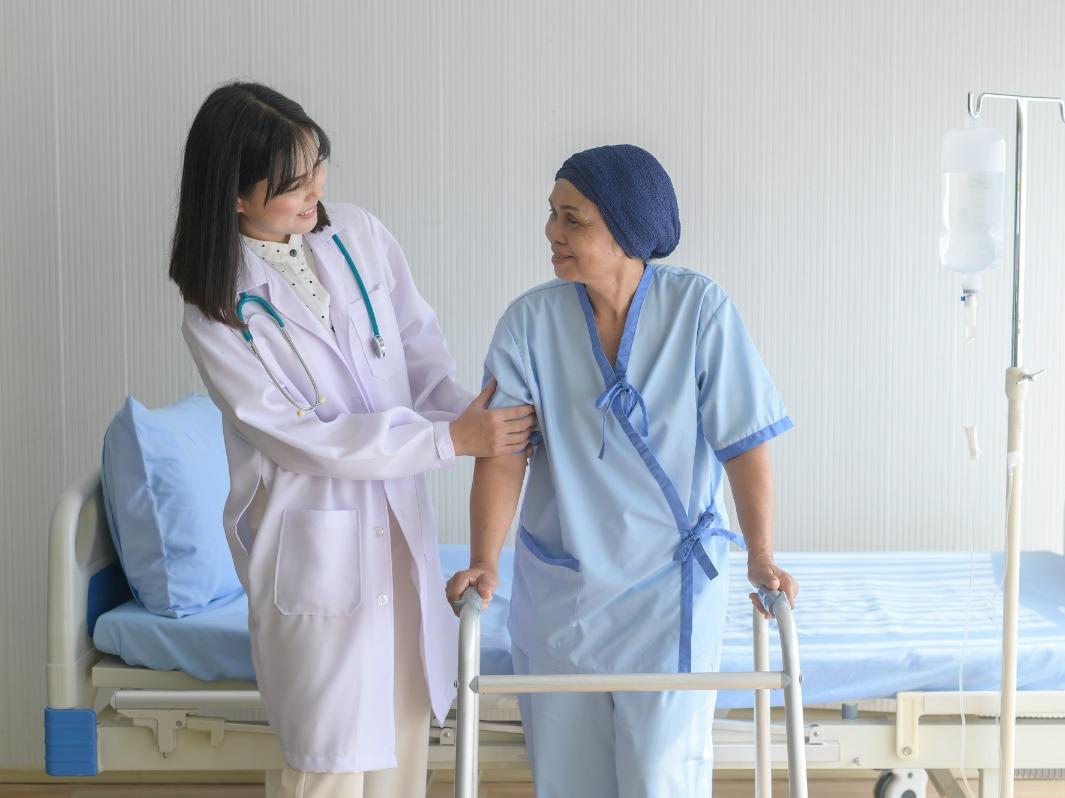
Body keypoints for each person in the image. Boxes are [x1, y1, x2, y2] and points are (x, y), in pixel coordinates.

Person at [170, 82, 535, 798]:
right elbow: (301, 440)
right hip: (316, 562)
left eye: (317, 167)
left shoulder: (359, 234)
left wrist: (477, 422)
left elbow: (420, 359)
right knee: (328, 773)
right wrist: (446, 443)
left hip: (399, 545)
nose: (315, 193)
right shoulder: (215, 309)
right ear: (235, 196)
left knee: (401, 762)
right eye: (291, 183)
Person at [446, 144, 797, 797]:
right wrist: (485, 561)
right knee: (568, 779)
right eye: (552, 215)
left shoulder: (700, 312)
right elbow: (504, 452)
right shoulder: (529, 323)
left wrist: (761, 554)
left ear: (627, 228)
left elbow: (744, 443)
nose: (553, 232)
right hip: (565, 593)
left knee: (659, 777)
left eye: (572, 219)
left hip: (670, 597)